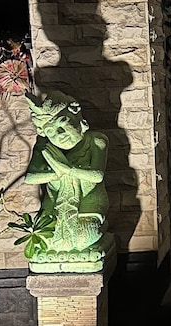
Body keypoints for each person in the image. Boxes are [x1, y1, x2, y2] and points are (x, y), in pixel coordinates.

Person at [24, 92, 109, 259]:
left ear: (77, 116)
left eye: (63, 123)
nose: (60, 134)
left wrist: (67, 169)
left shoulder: (96, 140)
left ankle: (100, 227)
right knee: (45, 240)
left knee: (83, 238)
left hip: (87, 205)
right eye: (51, 131)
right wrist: (56, 173)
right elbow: (30, 177)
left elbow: (97, 176)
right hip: (55, 206)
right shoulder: (44, 145)